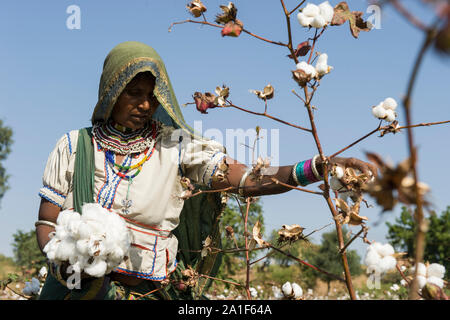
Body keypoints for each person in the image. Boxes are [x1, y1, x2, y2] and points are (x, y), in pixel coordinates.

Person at [35, 41, 375, 300]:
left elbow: (248, 181)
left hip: (153, 293)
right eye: (133, 93)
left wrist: (320, 167)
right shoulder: (73, 147)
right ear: (110, 92)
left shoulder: (177, 147)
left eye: (152, 96)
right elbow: (47, 224)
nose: (144, 104)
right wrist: (65, 262)